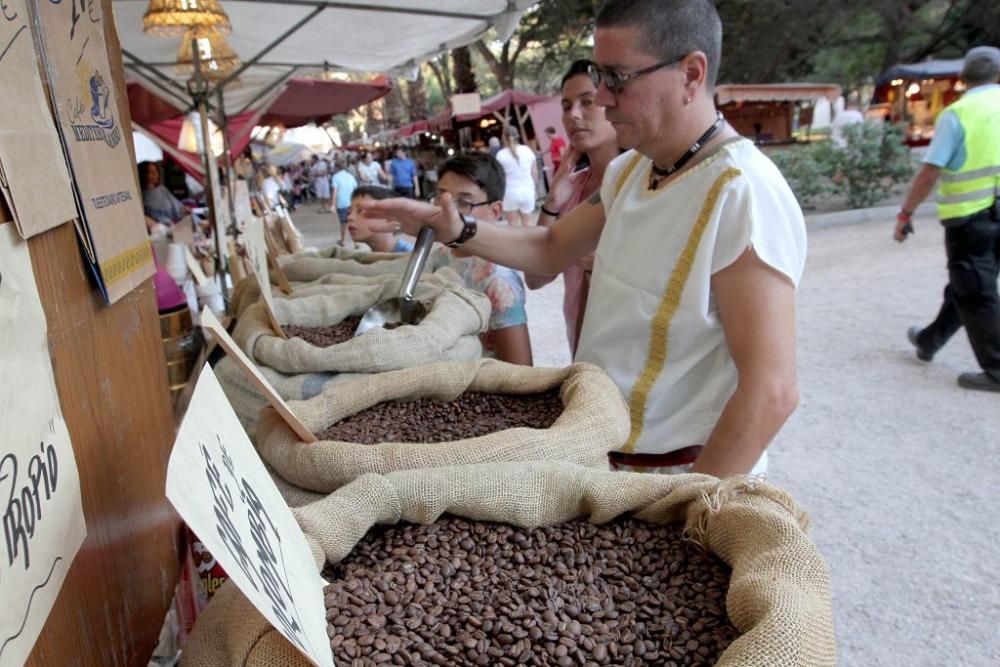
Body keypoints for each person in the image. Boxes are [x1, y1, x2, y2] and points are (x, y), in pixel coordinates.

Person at [363, 0, 806, 478]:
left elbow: (771, 391)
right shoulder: (632, 170)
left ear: (691, 74)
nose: (605, 99)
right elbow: (549, 248)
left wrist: (690, 518)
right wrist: (454, 227)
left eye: (617, 79)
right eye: (600, 77)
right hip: (603, 456)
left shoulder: (742, 192)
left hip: (678, 475)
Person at [896, 46, 1000, 393]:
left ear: (963, 78)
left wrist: (906, 212)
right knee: (968, 284)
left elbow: (930, 172)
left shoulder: (959, 114)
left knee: (975, 289)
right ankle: (930, 340)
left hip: (971, 217)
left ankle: (996, 368)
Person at [525, 60, 621, 357]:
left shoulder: (645, 185)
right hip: (582, 352)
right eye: (566, 106)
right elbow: (536, 278)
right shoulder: (573, 187)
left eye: (587, 102)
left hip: (630, 354)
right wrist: (552, 204)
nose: (574, 115)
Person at [346, 185, 414, 253]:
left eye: (360, 210)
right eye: (349, 212)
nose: (350, 217)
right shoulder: (371, 258)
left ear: (390, 218)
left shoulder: (411, 259)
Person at [495, 126, 538, 226]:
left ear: (503, 138)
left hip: (510, 191)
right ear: (517, 136)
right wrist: (534, 189)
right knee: (528, 222)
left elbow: (499, 177)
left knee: (512, 224)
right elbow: (535, 173)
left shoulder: (501, 155)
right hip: (527, 190)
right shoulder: (527, 150)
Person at [139, 161, 185, 225]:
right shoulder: (140, 195)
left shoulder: (162, 189)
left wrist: (184, 209)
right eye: (150, 172)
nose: (155, 174)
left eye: (156, 171)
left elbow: (178, 207)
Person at [330, 158, 358, 245]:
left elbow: (335, 192)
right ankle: (356, 242)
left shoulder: (335, 177)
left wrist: (333, 205)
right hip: (351, 202)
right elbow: (355, 189)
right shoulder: (351, 176)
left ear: (336, 167)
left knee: (343, 223)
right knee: (352, 222)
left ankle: (343, 240)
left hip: (341, 203)